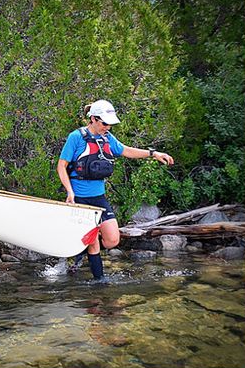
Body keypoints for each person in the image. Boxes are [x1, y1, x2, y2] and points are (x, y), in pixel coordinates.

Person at [57, 99, 174, 280]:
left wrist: (154, 153)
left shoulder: (107, 138)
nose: (108, 127)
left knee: (112, 240)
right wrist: (69, 191)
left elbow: (126, 151)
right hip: (80, 200)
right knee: (94, 242)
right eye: (105, 123)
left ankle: (82, 251)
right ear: (93, 119)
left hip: (99, 198)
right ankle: (99, 284)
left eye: (110, 124)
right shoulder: (76, 137)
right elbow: (61, 166)